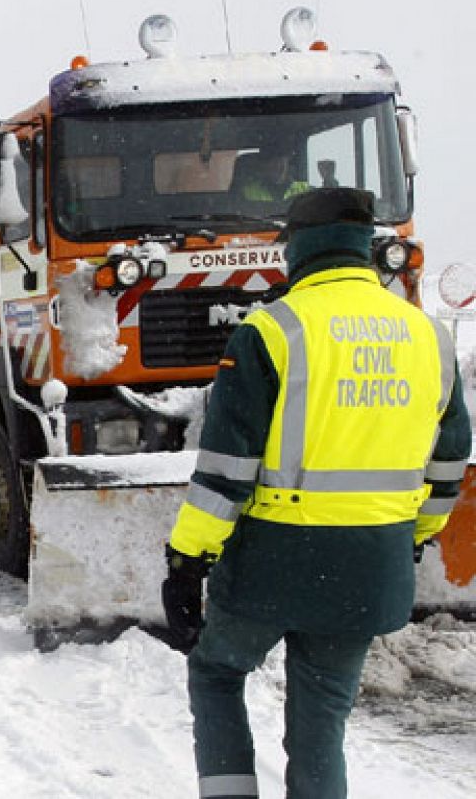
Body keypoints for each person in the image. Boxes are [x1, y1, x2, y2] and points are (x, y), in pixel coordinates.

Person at [162, 187, 471, 798]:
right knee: (321, 719)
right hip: (371, 566)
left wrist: (186, 558)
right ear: (366, 246)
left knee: (219, 673)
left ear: (298, 245)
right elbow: (450, 460)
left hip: (274, 562)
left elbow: (227, 468)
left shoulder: (272, 330)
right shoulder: (428, 336)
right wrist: (417, 536)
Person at [232, 148, 310, 204]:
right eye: (274, 162)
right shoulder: (247, 192)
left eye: (283, 161)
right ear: (263, 166)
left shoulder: (305, 190)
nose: (280, 167)